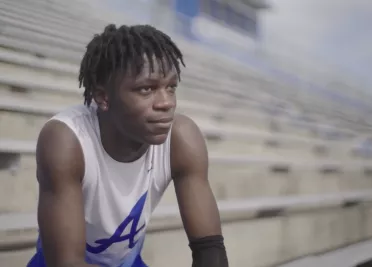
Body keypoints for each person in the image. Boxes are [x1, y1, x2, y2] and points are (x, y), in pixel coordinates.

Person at [27, 24, 228, 267]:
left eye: (171, 87)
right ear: (103, 97)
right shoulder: (66, 140)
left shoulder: (181, 138)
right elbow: (66, 263)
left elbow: (210, 251)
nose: (166, 103)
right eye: (147, 89)